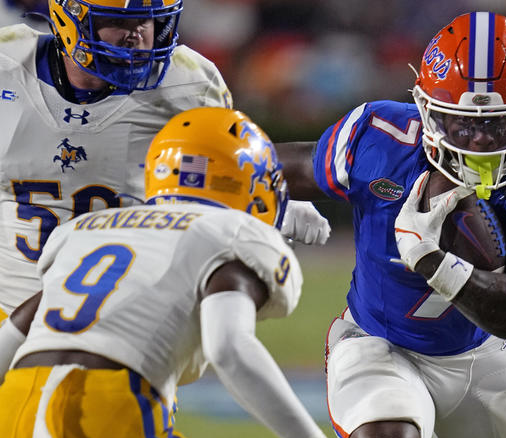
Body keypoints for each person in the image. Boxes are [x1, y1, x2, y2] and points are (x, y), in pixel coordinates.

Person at [276, 11, 506, 438]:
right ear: (426, 110)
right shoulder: (377, 138)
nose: (481, 141)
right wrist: (271, 201)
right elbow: (256, 165)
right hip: (379, 341)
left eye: (499, 124)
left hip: (483, 351)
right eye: (464, 124)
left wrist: (435, 264)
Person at [0, 107, 368, 438]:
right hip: (104, 410)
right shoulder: (235, 233)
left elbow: (20, 324)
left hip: (14, 412)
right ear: (250, 184)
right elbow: (228, 349)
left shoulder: (86, 229)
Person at [0, 0, 330, 322]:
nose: (137, 36)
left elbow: (216, 179)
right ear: (69, 19)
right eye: (118, 22)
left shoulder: (188, 84)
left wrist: (266, 205)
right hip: (7, 306)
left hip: (125, 317)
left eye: (148, 21)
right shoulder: (7, 66)